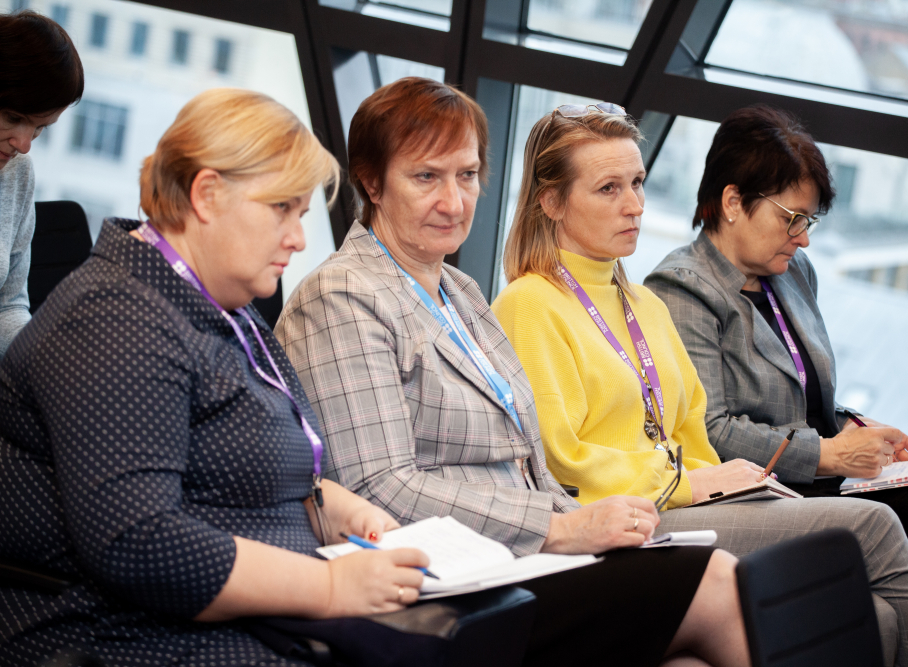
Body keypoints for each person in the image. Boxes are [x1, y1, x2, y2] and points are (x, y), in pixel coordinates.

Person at [277, 77, 750, 667]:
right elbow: (379, 486)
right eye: (426, 177)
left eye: (467, 175)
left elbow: (525, 464)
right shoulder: (342, 295)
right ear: (372, 183)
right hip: (449, 586)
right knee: (716, 579)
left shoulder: (460, 291)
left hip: (518, 562)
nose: (454, 202)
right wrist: (562, 530)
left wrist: (586, 522)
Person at [0, 89, 434, 667]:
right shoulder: (113, 319)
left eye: (301, 215)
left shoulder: (222, 308)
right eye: (281, 209)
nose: (298, 238)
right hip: (122, 636)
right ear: (206, 195)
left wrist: (333, 509)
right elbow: (141, 542)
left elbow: (241, 467)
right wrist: (329, 588)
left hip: (234, 623)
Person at [491, 103, 908, 667]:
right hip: (638, 513)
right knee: (875, 526)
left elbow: (690, 429)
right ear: (551, 202)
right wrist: (691, 483)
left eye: (637, 183)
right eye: (608, 189)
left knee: (877, 618)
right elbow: (560, 461)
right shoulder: (529, 304)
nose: (635, 205)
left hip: (690, 498)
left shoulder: (643, 304)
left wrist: (730, 484)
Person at [643, 104, 908, 539]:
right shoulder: (682, 288)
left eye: (809, 221)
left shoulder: (793, 273)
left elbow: (803, 400)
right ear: (732, 202)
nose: (803, 238)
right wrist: (831, 454)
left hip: (819, 481)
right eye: (791, 219)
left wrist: (855, 428)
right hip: (757, 495)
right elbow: (711, 431)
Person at [0, 9, 84, 356]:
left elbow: (7, 307)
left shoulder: (17, 172)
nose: (23, 145)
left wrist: (45, 360)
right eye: (13, 117)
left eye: (38, 129)